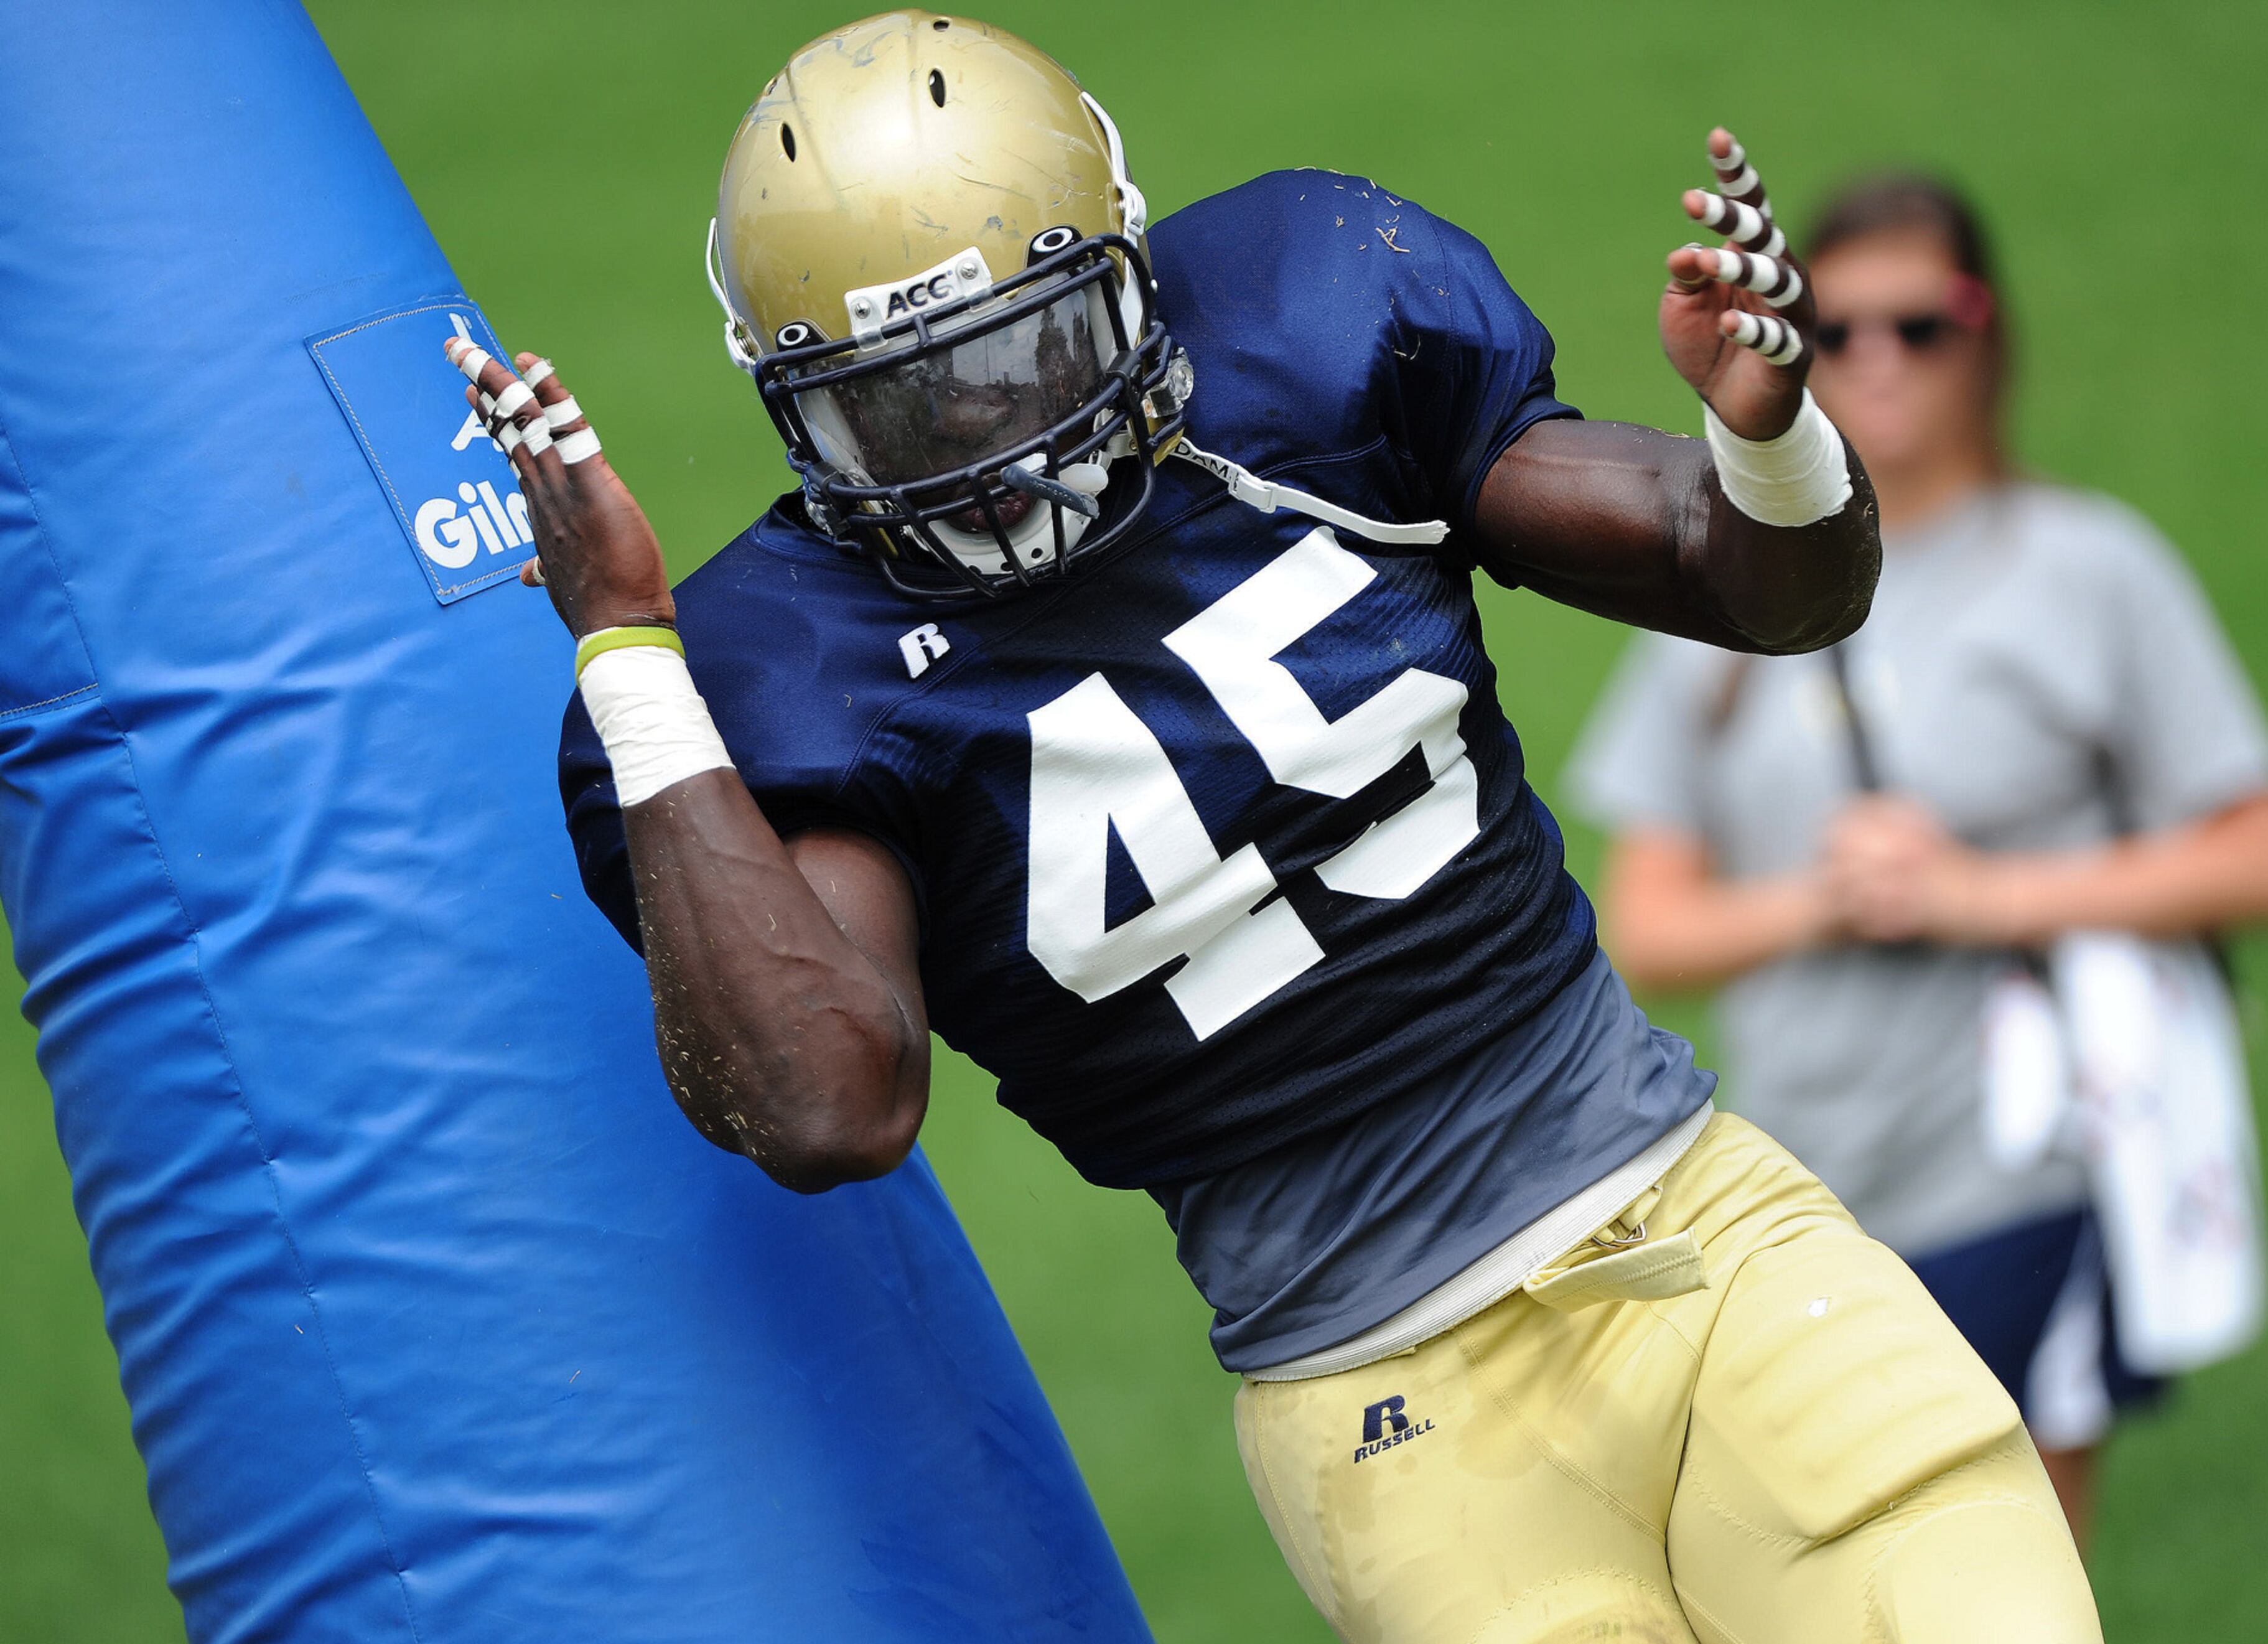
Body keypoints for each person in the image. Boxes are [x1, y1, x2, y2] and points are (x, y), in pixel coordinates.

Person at [449, 13, 2102, 1638]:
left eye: (1018, 354)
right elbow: (825, 1103)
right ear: (794, 412)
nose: (990, 449)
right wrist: (630, 653)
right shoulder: (786, 664)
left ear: (1132, 273)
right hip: (1388, 1410)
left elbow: (1755, 580)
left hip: (1704, 1235)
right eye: (902, 406)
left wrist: (1762, 437)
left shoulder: (1305, 335)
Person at [1570, 173, 2268, 1549]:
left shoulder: (2089, 568)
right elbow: (1647, 926)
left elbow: (2266, 856)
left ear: (1990, 334)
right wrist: (1826, 902)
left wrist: (1984, 895)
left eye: (1922, 323)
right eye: (1834, 330)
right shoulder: (1724, 585)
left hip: (2028, 1172)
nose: (1876, 359)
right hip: (1795, 1207)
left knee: (2008, 1577)